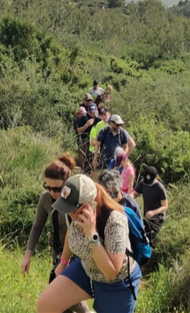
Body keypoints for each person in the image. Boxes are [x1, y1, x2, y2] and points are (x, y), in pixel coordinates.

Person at [37, 174, 141, 313]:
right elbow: (71, 232)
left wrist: (91, 234)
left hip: (117, 283)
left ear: (89, 205)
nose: (68, 214)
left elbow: (111, 272)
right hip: (87, 268)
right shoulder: (73, 213)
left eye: (71, 210)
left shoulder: (114, 221)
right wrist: (63, 262)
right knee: (46, 305)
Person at [22, 153, 90, 313]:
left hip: (77, 255)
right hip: (58, 254)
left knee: (65, 297)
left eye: (57, 189)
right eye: (48, 187)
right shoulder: (45, 199)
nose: (52, 192)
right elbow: (37, 227)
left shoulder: (77, 200)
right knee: (59, 301)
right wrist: (28, 254)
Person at [133, 165, 168, 244]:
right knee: (141, 234)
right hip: (147, 216)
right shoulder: (143, 183)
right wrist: (129, 197)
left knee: (149, 239)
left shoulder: (160, 188)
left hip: (157, 218)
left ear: (157, 177)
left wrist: (153, 212)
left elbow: (165, 206)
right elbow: (135, 194)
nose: (148, 184)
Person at [74, 106, 97, 173]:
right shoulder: (82, 119)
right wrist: (87, 125)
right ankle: (85, 171)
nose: (92, 113)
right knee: (86, 159)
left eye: (93, 112)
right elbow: (78, 131)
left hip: (96, 141)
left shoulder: (98, 118)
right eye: (91, 112)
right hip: (85, 141)